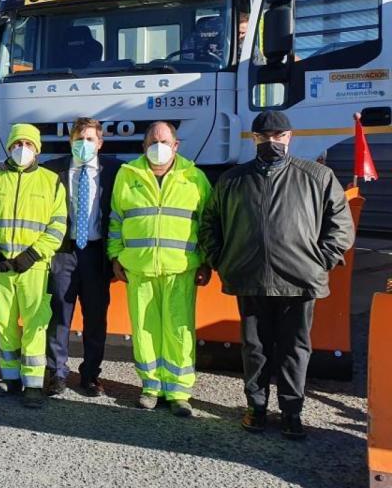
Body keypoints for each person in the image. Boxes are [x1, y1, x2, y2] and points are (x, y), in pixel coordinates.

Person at [200, 110, 354, 439]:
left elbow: (340, 226)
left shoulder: (317, 176)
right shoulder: (232, 180)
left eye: (278, 136)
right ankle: (256, 407)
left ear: (290, 138)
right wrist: (221, 259)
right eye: (264, 137)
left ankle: (291, 412)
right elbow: (209, 223)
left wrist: (320, 260)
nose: (271, 142)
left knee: (294, 349)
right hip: (249, 278)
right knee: (254, 348)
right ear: (253, 139)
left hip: (299, 282)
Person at [107, 121, 212, 417]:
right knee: (144, 329)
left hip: (180, 270)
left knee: (180, 330)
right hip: (139, 269)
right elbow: (116, 220)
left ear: (176, 145)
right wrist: (115, 256)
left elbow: (206, 224)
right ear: (143, 146)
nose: (158, 146)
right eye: (153, 141)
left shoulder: (195, 177)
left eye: (164, 141)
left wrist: (205, 261)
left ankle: (179, 391)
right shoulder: (127, 176)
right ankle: (151, 386)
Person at [0, 123, 68, 409]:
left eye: (28, 144)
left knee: (36, 323)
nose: (22, 149)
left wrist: (33, 255)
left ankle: (34, 384)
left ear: (37, 149)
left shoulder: (51, 181)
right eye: (17, 144)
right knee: (5, 321)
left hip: (33, 267)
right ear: (9, 146)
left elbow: (57, 225)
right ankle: (11, 378)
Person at [42, 117, 121, 397]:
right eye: (79, 139)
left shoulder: (116, 170)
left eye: (89, 139)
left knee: (95, 317)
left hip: (96, 254)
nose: (84, 144)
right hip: (64, 251)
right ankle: (56, 373)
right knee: (59, 314)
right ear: (70, 141)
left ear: (100, 143)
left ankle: (90, 376)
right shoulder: (52, 171)